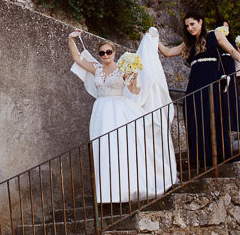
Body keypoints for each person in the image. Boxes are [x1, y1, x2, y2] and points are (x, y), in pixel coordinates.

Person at [68, 27, 177, 203]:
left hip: (118, 110)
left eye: (108, 52)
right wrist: (71, 39)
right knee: (103, 148)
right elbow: (77, 58)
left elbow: (134, 90)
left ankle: (126, 190)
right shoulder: (97, 68)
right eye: (102, 53)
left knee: (120, 148)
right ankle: (109, 195)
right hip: (100, 111)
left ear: (114, 52)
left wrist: (134, 78)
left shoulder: (123, 68)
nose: (105, 55)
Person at [158, 11, 240, 171]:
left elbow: (231, 50)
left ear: (200, 22)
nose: (190, 28)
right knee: (195, 117)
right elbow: (167, 52)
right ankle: (200, 158)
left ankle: (219, 156)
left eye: (192, 24)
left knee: (213, 117)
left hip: (212, 81)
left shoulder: (214, 35)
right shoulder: (187, 44)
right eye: (187, 26)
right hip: (195, 84)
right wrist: (152, 38)